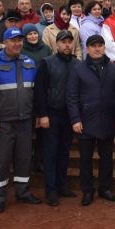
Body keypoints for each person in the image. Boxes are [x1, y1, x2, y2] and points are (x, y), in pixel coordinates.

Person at [0, 27, 41, 213]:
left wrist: (36, 115)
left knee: (24, 159)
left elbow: (36, 93)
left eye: (19, 40)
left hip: (25, 121)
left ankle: (23, 192)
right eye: (13, 40)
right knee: (1, 161)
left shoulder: (29, 62)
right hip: (3, 123)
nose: (17, 43)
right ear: (4, 43)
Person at [67, 34, 115, 205]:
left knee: (107, 158)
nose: (97, 48)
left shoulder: (112, 68)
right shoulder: (78, 68)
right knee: (85, 160)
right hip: (85, 122)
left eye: (100, 45)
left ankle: (105, 188)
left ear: (104, 47)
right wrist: (75, 119)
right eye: (93, 46)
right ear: (87, 48)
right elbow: (72, 96)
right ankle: (87, 191)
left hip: (107, 120)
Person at [34, 30, 80, 206]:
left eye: (70, 42)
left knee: (64, 152)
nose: (67, 45)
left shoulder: (77, 64)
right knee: (51, 153)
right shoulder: (47, 63)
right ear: (57, 44)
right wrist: (43, 114)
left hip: (69, 115)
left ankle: (62, 185)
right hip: (52, 114)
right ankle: (51, 190)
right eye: (63, 42)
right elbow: (40, 90)